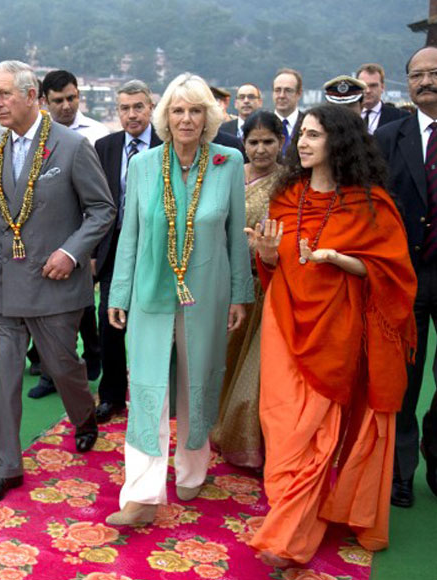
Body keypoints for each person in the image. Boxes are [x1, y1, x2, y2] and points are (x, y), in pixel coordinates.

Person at [246, 104, 415, 566]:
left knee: (315, 433)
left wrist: (339, 259)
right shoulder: (286, 196)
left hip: (336, 328)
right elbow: (277, 263)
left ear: (338, 143)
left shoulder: (369, 204)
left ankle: (288, 537)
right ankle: (291, 511)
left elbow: (392, 270)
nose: (302, 142)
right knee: (281, 426)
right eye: (301, 133)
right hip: (283, 321)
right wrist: (265, 253)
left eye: (314, 135)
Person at [105, 72, 252, 526]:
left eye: (195, 110)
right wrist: (119, 292)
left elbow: (235, 237)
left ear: (208, 116)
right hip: (151, 292)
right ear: (164, 116)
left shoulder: (229, 161)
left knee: (198, 380)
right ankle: (142, 495)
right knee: (147, 386)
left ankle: (193, 468)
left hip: (208, 293)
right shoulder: (145, 164)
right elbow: (129, 233)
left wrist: (240, 296)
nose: (186, 119)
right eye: (177, 110)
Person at [0, 60, 115, 505]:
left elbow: (102, 210)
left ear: (31, 95)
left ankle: (84, 416)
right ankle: (6, 468)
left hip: (55, 282)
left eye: (4, 94)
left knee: (63, 367)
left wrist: (72, 252)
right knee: (3, 377)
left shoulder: (71, 146)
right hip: (4, 285)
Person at [376, 45, 437, 506]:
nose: (424, 82)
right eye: (416, 75)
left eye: (433, 73)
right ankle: (400, 473)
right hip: (405, 276)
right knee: (404, 379)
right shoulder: (389, 138)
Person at [210, 111, 284, 469]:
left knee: (253, 372)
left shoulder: (286, 185)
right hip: (218, 281)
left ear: (281, 143)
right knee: (219, 362)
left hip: (262, 287)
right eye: (253, 141)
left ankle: (247, 442)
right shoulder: (229, 175)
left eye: (268, 141)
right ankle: (216, 427)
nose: (260, 149)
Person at [29, 68, 106, 398]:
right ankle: (49, 374)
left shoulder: (97, 134)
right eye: (58, 100)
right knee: (49, 309)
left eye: (71, 98)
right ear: (44, 101)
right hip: (46, 235)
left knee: (85, 306)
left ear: (79, 97)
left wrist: (92, 249)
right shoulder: (33, 137)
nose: (66, 106)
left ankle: (93, 358)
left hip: (86, 234)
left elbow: (103, 199)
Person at [92, 79, 158, 423]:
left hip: (157, 246)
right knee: (109, 322)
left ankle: (154, 395)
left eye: (138, 107)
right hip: (113, 244)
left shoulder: (168, 143)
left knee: (151, 321)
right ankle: (112, 396)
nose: (131, 115)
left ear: (151, 108)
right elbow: (93, 201)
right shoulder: (105, 146)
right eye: (124, 108)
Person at [357, 63, 409, 134]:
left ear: (382, 87)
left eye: (373, 85)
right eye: (363, 86)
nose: (368, 91)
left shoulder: (401, 117)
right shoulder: (347, 117)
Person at [273, 68, 304, 155]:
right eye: (278, 90)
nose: (282, 95)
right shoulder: (263, 124)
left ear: (299, 94)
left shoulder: (308, 123)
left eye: (288, 90)